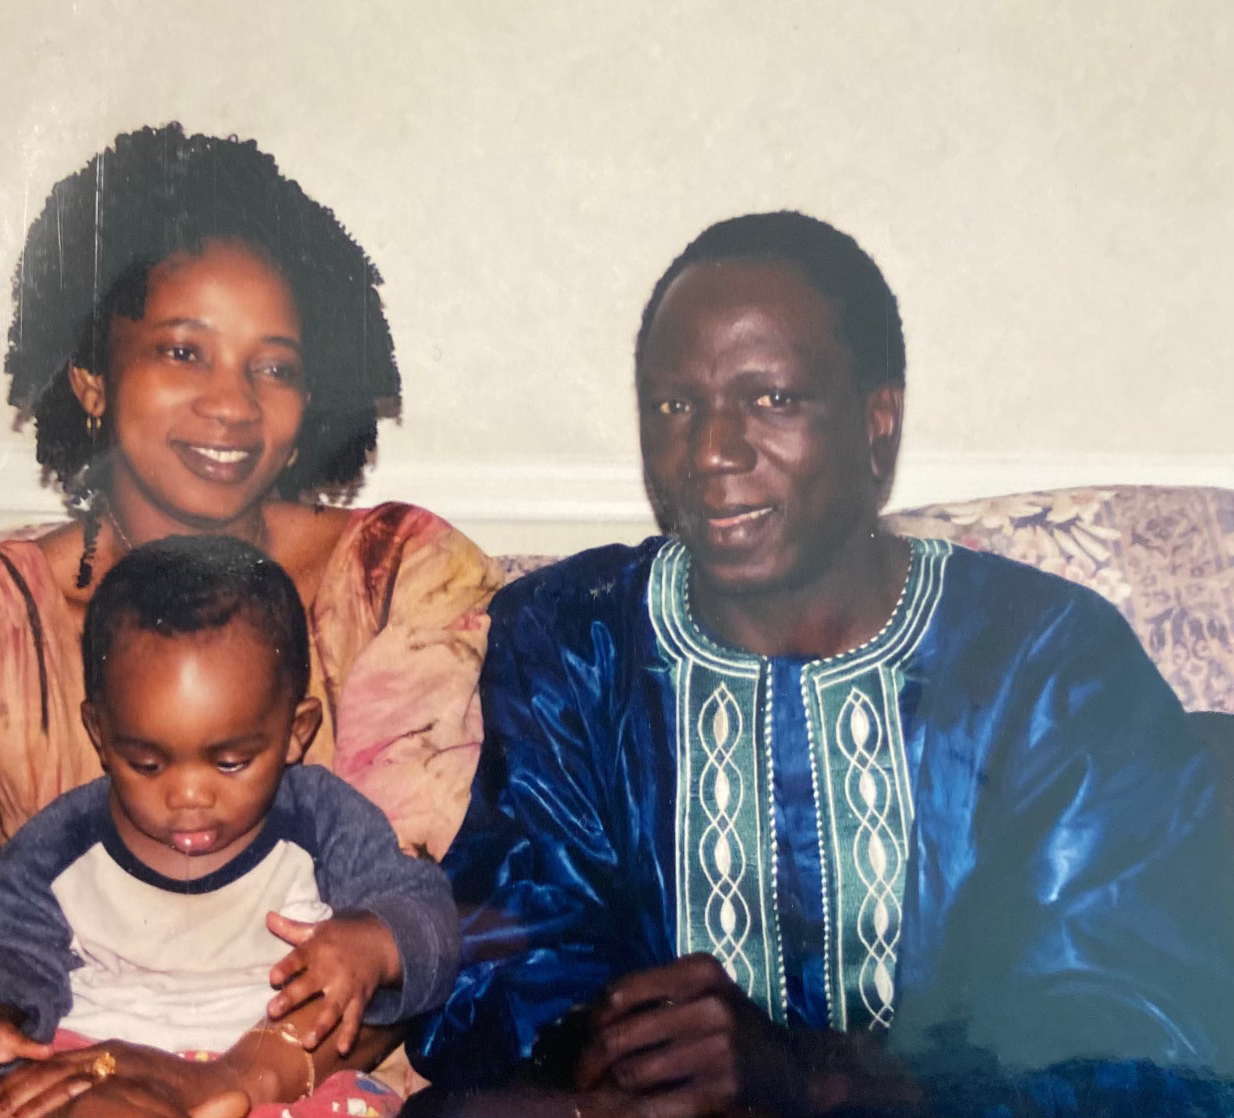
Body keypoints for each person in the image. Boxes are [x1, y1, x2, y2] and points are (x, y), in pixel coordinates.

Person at [409, 212, 1234, 1117]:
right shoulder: (578, 639)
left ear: (878, 421)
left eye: (774, 400)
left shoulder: (1042, 663)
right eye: (675, 406)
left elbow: (1148, 1038)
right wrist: (638, 1053)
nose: (712, 451)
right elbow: (506, 951)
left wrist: (819, 1081)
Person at [0, 123, 503, 1118]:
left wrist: (222, 1087)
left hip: (305, 1086)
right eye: (184, 350)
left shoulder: (400, 578)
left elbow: (394, 926)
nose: (233, 404)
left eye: (275, 366)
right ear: (91, 376)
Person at [0, 535, 458, 1118]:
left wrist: (375, 939)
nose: (189, 795)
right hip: (100, 1066)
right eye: (147, 764)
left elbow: (429, 915)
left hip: (271, 1077)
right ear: (100, 734)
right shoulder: (61, 845)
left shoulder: (323, 821)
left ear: (297, 732)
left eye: (231, 762)